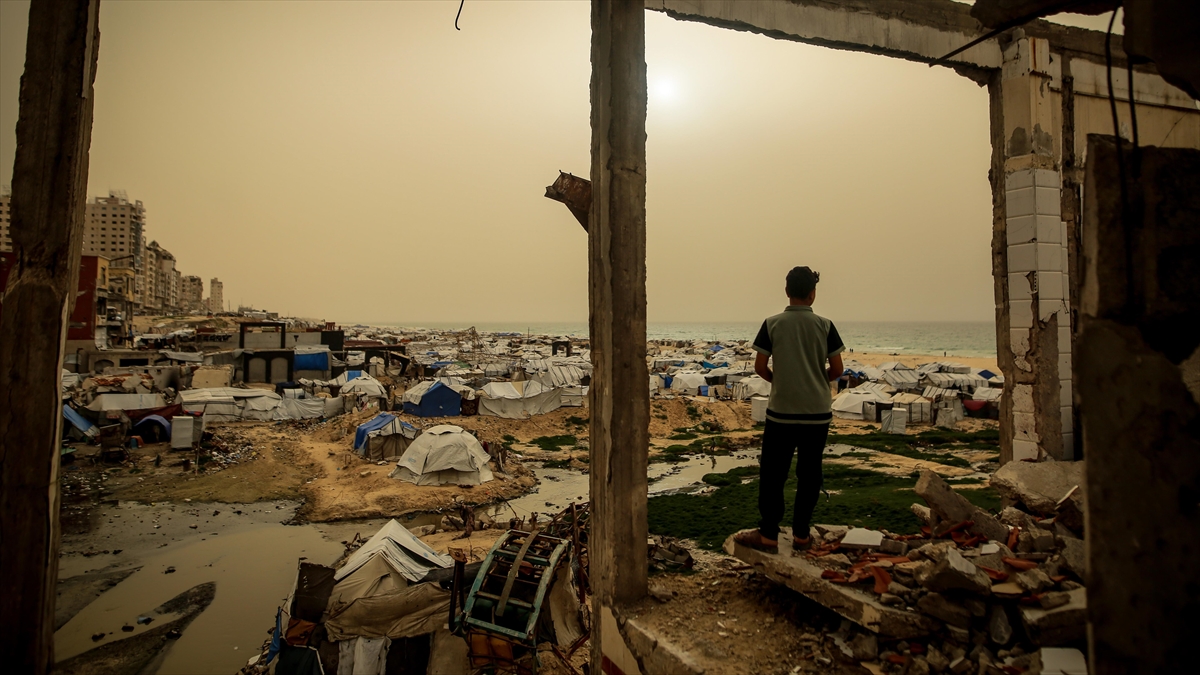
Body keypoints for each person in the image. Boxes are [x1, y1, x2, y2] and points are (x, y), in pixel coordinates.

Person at [734, 266, 844, 554]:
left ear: (786, 291)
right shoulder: (825, 325)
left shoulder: (772, 324)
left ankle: (769, 534)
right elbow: (838, 369)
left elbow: (760, 367)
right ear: (813, 294)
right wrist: (816, 380)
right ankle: (802, 535)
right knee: (810, 474)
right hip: (817, 413)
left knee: (773, 473)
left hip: (782, 412)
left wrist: (780, 380)